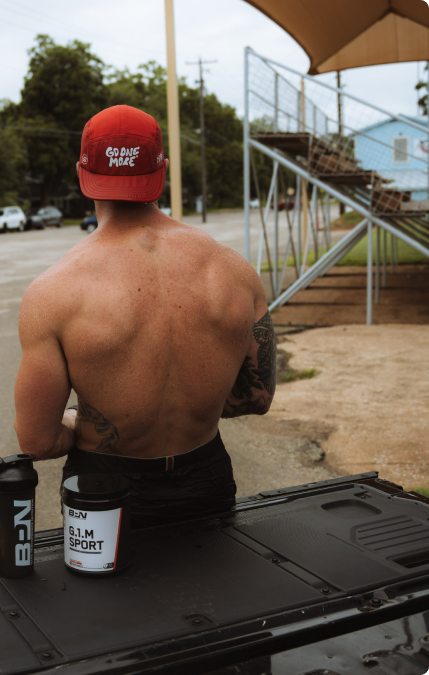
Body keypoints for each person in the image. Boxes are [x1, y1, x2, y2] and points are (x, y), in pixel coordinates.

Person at [14, 105, 276, 528]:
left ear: (83, 174)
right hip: (207, 477)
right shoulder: (235, 271)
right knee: (221, 585)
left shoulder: (52, 292)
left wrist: (90, 421)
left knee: (105, 592)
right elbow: (256, 398)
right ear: (163, 170)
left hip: (100, 492)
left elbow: (37, 441)